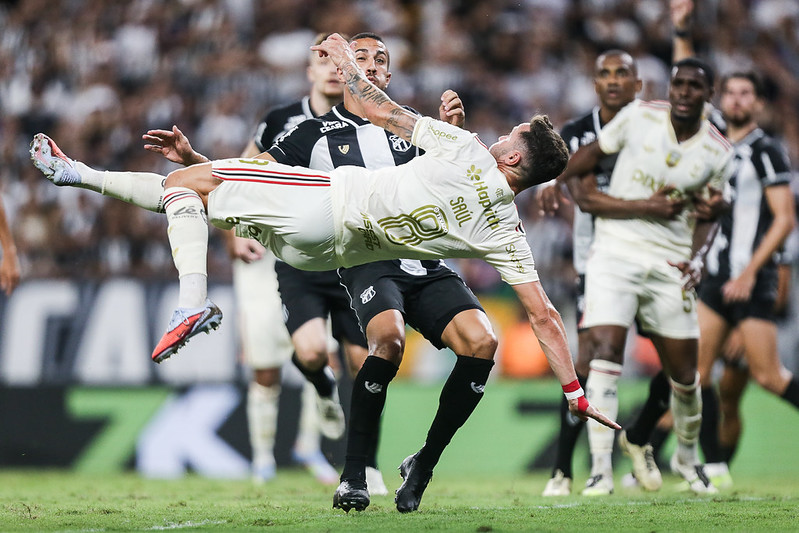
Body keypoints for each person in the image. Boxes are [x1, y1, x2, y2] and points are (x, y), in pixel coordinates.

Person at [31, 31, 619, 509]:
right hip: (334, 254)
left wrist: (341, 55)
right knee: (192, 192)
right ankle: (78, 176)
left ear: (513, 156)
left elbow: (369, 103)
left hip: (327, 206)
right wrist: (573, 389)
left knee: (184, 188)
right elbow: (542, 315)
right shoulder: (506, 231)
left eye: (507, 137)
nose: (496, 137)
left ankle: (171, 278)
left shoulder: (463, 150)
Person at [145, 32, 488, 508]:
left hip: (425, 262)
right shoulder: (310, 134)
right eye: (359, 56)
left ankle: (422, 462)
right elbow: (246, 175)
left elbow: (459, 188)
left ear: (387, 76)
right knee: (382, 344)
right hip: (367, 260)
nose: (369, 64)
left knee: (483, 342)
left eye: (379, 59)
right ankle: (354, 474)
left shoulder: (416, 129)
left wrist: (452, 137)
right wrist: (194, 162)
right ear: (344, 69)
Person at [148, 33, 345, 485]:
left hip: (322, 256)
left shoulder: (362, 122)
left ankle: (309, 449)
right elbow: (240, 172)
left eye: (341, 59)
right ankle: (263, 461)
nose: (333, 67)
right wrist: (235, 235)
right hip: (267, 250)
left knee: (320, 353)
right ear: (309, 69)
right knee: (265, 360)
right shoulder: (280, 119)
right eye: (323, 58)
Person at [550, 57, 734, 495]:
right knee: (604, 357)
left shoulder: (718, 151)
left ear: (709, 95)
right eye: (679, 84)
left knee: (686, 377)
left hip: (670, 261)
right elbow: (580, 162)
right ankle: (600, 470)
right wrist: (564, 189)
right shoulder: (639, 117)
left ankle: (687, 460)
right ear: (669, 88)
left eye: (695, 86)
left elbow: (712, 214)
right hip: (614, 252)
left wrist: (698, 255)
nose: (685, 92)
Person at [537, 49, 682, 497]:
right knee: (589, 361)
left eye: (623, 74)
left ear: (639, 85)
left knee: (680, 364)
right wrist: (649, 205)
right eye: (605, 74)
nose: (614, 80)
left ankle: (637, 436)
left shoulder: (660, 131)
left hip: (656, 261)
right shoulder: (579, 133)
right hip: (597, 263)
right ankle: (575, 468)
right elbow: (586, 198)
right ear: (595, 83)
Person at [693, 70, 798, 486]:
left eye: (746, 93)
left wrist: (751, 273)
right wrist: (682, 32)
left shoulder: (768, 150)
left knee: (769, 377)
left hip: (752, 281)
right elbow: (689, 84)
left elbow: (785, 220)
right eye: (731, 93)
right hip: (716, 279)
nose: (738, 100)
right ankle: (712, 464)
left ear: (756, 103)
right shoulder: (714, 144)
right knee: (694, 377)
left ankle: (708, 460)